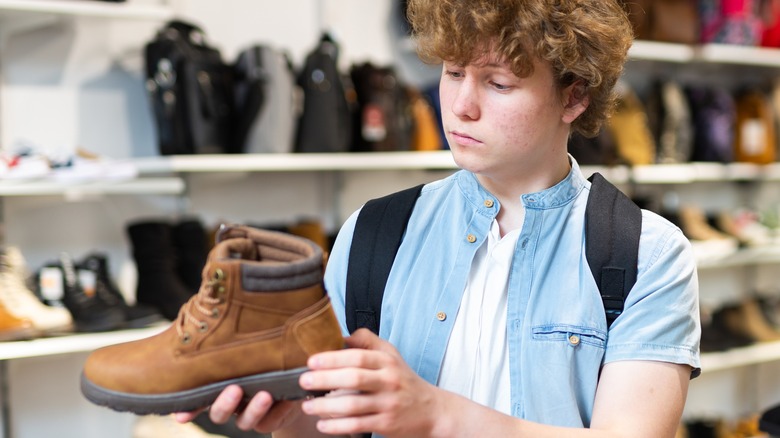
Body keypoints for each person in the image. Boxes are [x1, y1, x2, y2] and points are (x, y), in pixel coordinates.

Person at [176, 0, 701, 436]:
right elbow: (334, 418)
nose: (460, 106)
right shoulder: (374, 231)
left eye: (498, 83)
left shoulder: (645, 253)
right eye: (453, 73)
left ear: (574, 96)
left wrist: (435, 414)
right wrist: (282, 414)